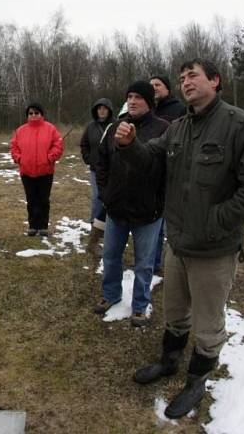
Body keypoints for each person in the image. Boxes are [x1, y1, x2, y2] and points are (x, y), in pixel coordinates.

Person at [116, 59, 244, 419]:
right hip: (179, 245)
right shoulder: (179, 128)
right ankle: (169, 362)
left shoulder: (237, 124)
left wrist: (217, 219)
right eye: (182, 77)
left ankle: (197, 381)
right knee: (174, 313)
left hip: (215, 249)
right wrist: (129, 145)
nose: (185, 82)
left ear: (215, 81)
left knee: (207, 323)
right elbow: (150, 158)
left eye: (194, 76)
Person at [93, 81, 169, 327]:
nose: (133, 101)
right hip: (116, 209)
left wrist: (160, 201)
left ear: (149, 101)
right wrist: (106, 193)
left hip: (148, 212)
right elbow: (101, 161)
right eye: (130, 96)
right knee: (111, 256)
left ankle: (140, 305)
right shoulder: (115, 127)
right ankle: (111, 295)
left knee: (144, 263)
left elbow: (167, 171)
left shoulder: (164, 129)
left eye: (139, 97)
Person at [149, 74, 185, 276]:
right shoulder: (146, 106)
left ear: (168, 89)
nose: (153, 88)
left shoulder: (178, 109)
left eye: (157, 85)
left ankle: (160, 264)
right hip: (149, 168)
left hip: (170, 170)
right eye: (151, 85)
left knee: (164, 220)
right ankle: (152, 261)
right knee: (153, 217)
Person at [10, 102, 64, 236]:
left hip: (45, 171)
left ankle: (43, 226)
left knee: (44, 200)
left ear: (42, 114)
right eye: (31, 113)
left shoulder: (50, 129)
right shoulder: (20, 130)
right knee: (31, 199)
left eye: (36, 113)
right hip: (27, 172)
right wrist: (20, 159)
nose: (33, 115)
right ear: (27, 115)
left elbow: (58, 145)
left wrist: (49, 158)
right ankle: (33, 226)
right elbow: (14, 147)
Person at [79, 98, 114, 255]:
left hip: (113, 170)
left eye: (104, 108)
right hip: (95, 169)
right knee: (97, 198)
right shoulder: (91, 127)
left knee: (110, 198)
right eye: (99, 108)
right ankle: (95, 227)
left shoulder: (116, 125)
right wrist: (88, 158)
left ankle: (111, 228)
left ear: (109, 110)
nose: (102, 111)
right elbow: (84, 144)